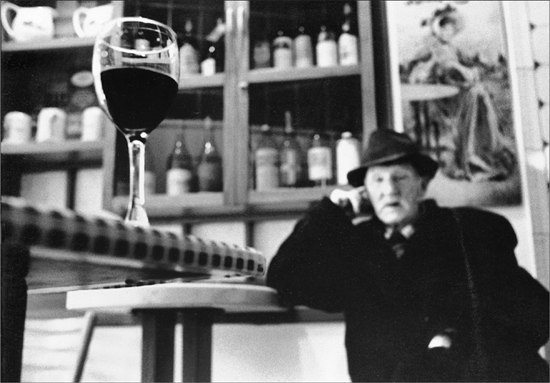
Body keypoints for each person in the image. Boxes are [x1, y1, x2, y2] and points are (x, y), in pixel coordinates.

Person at [266, 129, 549, 382]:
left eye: (400, 177)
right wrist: (329, 211)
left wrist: (453, 342)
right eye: (378, 180)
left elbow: (536, 316)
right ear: (365, 191)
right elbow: (285, 278)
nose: (389, 189)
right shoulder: (354, 246)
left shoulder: (469, 232)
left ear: (422, 186)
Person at [405, 4, 516, 182]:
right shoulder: (432, 47)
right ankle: (472, 154)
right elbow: (438, 67)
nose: (449, 32)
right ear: (438, 28)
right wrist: (458, 69)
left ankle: (484, 146)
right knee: (475, 94)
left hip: (457, 93)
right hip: (442, 98)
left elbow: (467, 62)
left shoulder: (452, 48)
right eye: (445, 28)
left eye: (452, 29)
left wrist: (475, 68)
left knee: (480, 93)